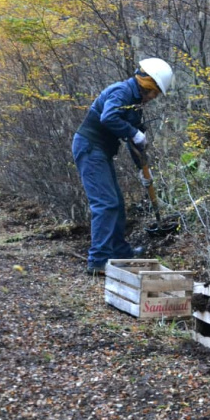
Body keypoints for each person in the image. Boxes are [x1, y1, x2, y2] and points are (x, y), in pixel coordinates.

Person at [72, 58, 173, 275]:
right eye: (153, 92)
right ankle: (98, 260)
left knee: (116, 203)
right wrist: (133, 132)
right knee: (105, 203)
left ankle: (120, 252)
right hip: (89, 147)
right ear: (147, 83)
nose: (153, 98)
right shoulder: (122, 92)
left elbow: (135, 142)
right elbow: (109, 117)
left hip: (100, 151)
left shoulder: (135, 103)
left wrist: (142, 168)